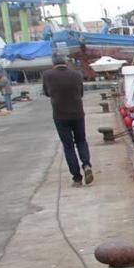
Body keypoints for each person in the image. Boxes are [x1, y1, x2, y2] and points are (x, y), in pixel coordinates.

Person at [43, 54, 93, 187]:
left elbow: (47, 92)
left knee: (68, 146)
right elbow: (81, 93)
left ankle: (77, 178)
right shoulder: (76, 74)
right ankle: (86, 164)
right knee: (81, 141)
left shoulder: (47, 75)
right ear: (65, 62)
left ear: (53, 64)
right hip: (77, 113)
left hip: (60, 115)